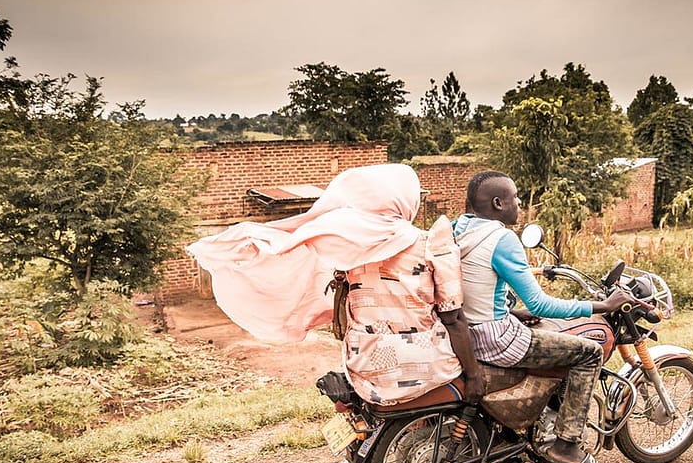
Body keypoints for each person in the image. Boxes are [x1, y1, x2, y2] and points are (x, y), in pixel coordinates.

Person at [186, 163, 484, 406]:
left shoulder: (350, 245)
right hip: (422, 363)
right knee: (483, 380)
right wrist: (473, 377)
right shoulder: (430, 242)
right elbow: (453, 316)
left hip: (362, 364)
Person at [453, 170, 627, 463]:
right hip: (498, 340)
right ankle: (567, 443)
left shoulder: (458, 228)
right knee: (588, 353)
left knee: (547, 331)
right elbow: (540, 304)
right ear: (497, 203)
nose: (519, 204)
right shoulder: (502, 238)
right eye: (515, 198)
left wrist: (512, 312)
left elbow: (475, 289)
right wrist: (602, 305)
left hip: (468, 332)